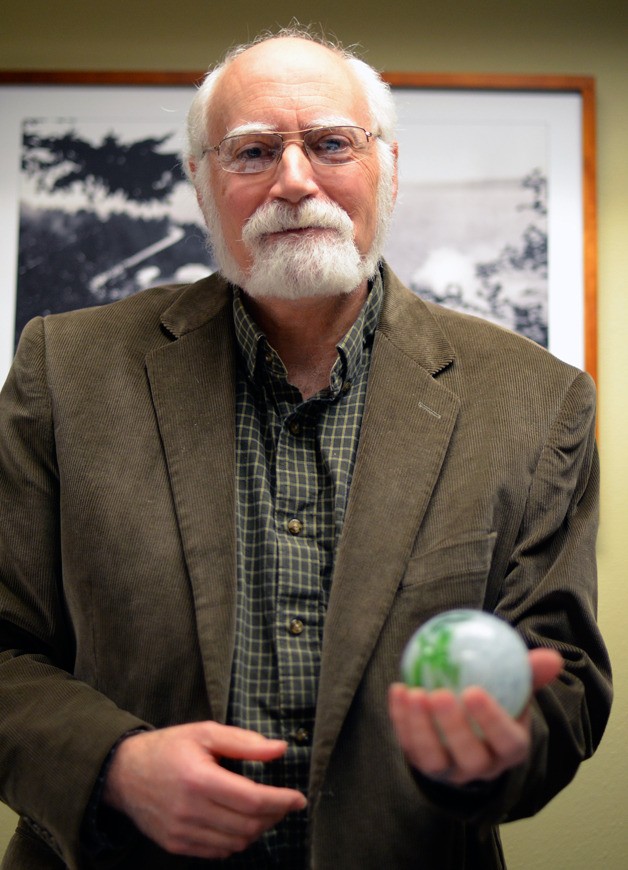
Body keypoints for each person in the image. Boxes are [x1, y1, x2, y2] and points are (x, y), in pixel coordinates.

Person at [0, 26, 612, 870]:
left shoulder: (540, 403)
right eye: (252, 152)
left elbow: (566, 678)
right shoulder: (64, 372)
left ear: (387, 166)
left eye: (331, 144)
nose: (294, 181)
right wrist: (111, 767)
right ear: (202, 183)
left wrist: (503, 746)